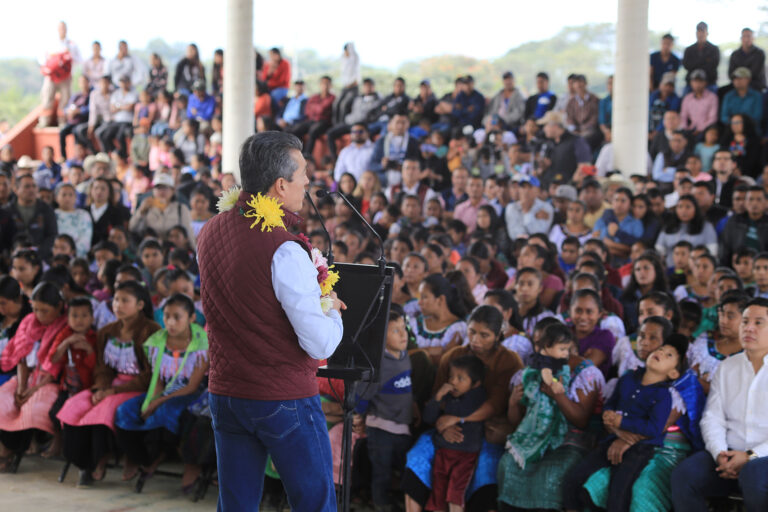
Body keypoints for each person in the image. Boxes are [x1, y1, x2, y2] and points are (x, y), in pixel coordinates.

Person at [197, 132, 345, 510]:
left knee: (237, 504)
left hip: (227, 393)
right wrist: (329, 303)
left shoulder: (211, 230)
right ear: (280, 185)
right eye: (303, 175)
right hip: (282, 397)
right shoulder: (284, 249)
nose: (309, 183)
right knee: (314, 503)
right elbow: (320, 344)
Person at [403, 305, 523, 512]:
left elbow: (495, 405)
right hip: (446, 428)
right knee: (417, 457)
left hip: (486, 431)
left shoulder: (509, 360)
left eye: (484, 335)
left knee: (487, 467)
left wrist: (458, 420)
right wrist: (443, 425)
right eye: (472, 332)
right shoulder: (454, 356)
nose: (475, 340)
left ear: (498, 335)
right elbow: (437, 398)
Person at [562, 336, 686, 511]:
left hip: (640, 449)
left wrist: (622, 422)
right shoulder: (628, 378)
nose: (660, 352)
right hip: (611, 438)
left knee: (618, 492)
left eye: (669, 355)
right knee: (574, 478)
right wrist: (608, 414)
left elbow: (654, 429)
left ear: (673, 373)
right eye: (661, 349)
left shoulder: (663, 395)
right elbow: (612, 402)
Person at [56, 281, 159, 485]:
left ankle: (99, 460)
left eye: (125, 301)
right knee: (75, 406)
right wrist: (101, 388)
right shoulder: (107, 331)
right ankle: (82, 462)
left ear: (140, 305)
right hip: (109, 385)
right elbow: (103, 368)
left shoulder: (151, 331)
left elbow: (151, 375)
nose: (118, 305)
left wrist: (113, 391)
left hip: (137, 387)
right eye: (116, 300)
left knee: (104, 410)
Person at [671, 297, 768, 511]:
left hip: (764, 458)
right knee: (684, 476)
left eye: (758, 322)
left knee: (753, 475)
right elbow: (712, 418)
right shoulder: (727, 367)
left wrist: (750, 456)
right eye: (745, 321)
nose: (749, 328)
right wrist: (720, 454)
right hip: (728, 455)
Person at [498, 321, 605, 511]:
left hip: (571, 440)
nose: (540, 349)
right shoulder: (530, 373)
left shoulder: (585, 372)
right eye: (537, 344)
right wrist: (513, 403)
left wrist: (558, 395)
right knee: (509, 463)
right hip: (534, 437)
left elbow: (581, 421)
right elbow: (518, 421)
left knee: (555, 471)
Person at [114, 294, 208, 488]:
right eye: (166, 316)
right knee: (126, 410)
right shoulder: (158, 342)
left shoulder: (201, 344)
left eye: (177, 317)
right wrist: (151, 399)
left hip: (190, 393)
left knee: (166, 411)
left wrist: (158, 402)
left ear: (191, 318)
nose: (170, 323)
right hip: (165, 391)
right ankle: (141, 458)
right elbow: (157, 379)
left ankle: (160, 454)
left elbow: (191, 386)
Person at [0, 281, 68, 472]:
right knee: (5, 399)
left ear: (59, 307)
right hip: (27, 378)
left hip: (50, 382)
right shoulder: (29, 322)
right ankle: (6, 448)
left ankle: (10, 451)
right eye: (36, 309)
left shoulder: (65, 326)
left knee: (30, 408)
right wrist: (22, 387)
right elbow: (21, 358)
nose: (39, 315)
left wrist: (32, 391)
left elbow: (55, 368)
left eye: (45, 311)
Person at [352, 304, 412, 511]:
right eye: (395, 331)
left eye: (403, 328)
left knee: (399, 467)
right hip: (381, 429)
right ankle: (380, 503)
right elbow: (363, 394)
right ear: (382, 337)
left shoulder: (405, 357)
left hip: (402, 426)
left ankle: (391, 498)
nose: (403, 334)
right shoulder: (380, 365)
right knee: (381, 471)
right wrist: (359, 417)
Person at [423, 355, 487, 512]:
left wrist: (444, 421)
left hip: (464, 456)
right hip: (443, 453)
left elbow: (458, 412)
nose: (453, 382)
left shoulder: (477, 396)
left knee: (455, 494)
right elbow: (428, 418)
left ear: (475, 384)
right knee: (438, 493)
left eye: (460, 378)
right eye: (451, 377)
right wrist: (438, 397)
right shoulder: (449, 397)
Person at [129, 173, 195, 246]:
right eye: (158, 188)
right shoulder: (146, 207)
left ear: (173, 191)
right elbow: (132, 227)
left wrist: (194, 251)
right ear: (153, 191)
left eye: (165, 188)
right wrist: (141, 211)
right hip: (152, 249)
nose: (162, 191)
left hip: (174, 250)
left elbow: (189, 233)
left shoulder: (181, 209)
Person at [655, 194, 718, 267]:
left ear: (695, 208)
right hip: (671, 269)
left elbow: (712, 253)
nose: (683, 211)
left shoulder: (706, 227)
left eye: (688, 207)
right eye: (680, 207)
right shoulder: (668, 226)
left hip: (696, 271)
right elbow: (659, 250)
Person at [38, 21, 81, 128]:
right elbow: (42, 59)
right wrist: (54, 61)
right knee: (47, 98)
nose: (62, 30)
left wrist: (67, 58)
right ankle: (44, 121)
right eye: (60, 28)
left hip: (65, 77)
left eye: (64, 28)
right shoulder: (50, 43)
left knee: (65, 99)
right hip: (51, 77)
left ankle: (63, 121)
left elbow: (79, 60)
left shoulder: (72, 44)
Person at [7, 175, 58, 260]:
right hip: (13, 259)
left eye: (34, 186)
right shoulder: (7, 211)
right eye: (27, 186)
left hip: (40, 258)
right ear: (16, 190)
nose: (31, 190)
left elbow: (52, 235)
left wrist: (38, 253)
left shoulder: (46, 210)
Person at [286, 75, 335, 157]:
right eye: (323, 83)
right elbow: (308, 110)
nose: (325, 86)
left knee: (313, 131)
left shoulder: (332, 98)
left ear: (330, 85)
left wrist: (315, 108)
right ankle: (295, 154)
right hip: (311, 120)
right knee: (295, 129)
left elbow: (322, 109)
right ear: (320, 85)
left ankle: (307, 156)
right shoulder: (314, 97)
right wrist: (318, 108)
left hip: (324, 122)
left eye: (327, 83)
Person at [719, 186, 768, 266]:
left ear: (766, 202)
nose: (754, 203)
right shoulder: (734, 221)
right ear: (745, 202)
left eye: (759, 199)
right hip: (737, 267)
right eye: (751, 199)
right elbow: (725, 249)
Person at [0, 277, 32, 386]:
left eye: (3, 303)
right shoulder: (2, 316)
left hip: (13, 372)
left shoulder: (29, 320)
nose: (0, 307)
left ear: (18, 299)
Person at [97, 75, 137, 160]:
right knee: (104, 134)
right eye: (122, 82)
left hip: (127, 121)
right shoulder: (116, 93)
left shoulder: (133, 93)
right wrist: (123, 106)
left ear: (129, 83)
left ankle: (123, 156)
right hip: (116, 121)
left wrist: (119, 107)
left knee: (120, 136)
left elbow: (130, 107)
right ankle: (112, 154)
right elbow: (112, 108)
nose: (123, 84)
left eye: (125, 82)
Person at [504, 175, 553, 241]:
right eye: (523, 187)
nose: (526, 191)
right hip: (518, 245)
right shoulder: (511, 208)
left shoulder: (546, 207)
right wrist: (531, 215)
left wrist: (527, 212)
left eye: (530, 187)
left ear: (538, 190)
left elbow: (539, 233)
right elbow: (514, 234)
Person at [55, 183, 92, 258]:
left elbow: (86, 241)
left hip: (77, 258)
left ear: (76, 197)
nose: (67, 198)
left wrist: (70, 252)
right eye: (64, 195)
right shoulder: (52, 215)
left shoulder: (84, 215)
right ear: (56, 198)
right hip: (56, 255)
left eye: (71, 195)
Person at [680, 69, 719, 136]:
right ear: (691, 83)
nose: (698, 84)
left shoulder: (712, 97)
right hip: (690, 129)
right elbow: (683, 116)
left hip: (706, 130)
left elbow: (713, 118)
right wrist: (685, 129)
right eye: (695, 81)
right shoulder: (687, 98)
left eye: (700, 81)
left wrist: (700, 129)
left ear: (705, 83)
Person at [682, 21, 720, 87]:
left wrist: (695, 62)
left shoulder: (714, 49)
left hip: (709, 83)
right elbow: (686, 65)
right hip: (691, 84)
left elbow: (713, 65)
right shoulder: (689, 49)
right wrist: (705, 60)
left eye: (703, 31)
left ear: (707, 33)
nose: (701, 34)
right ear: (696, 33)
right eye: (699, 31)